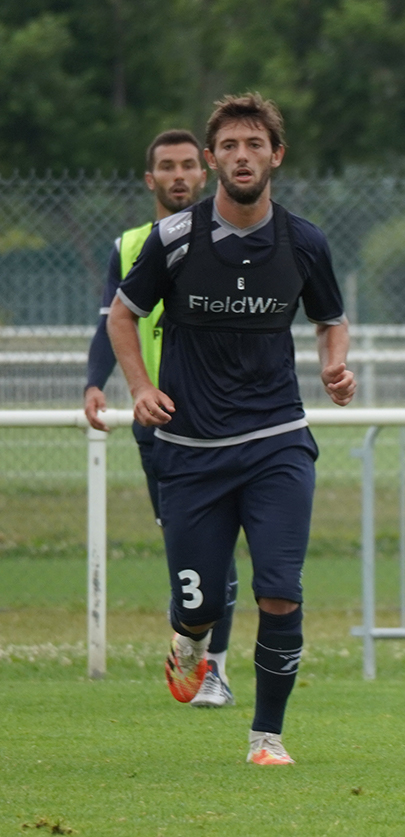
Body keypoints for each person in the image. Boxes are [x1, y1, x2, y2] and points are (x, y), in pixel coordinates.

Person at [108, 93, 356, 765]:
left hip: (276, 441)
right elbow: (122, 317)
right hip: (189, 452)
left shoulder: (304, 242)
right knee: (202, 605)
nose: (242, 156)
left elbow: (330, 318)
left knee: (280, 589)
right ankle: (186, 636)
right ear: (214, 159)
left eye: (255, 145)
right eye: (230, 146)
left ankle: (266, 737)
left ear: (276, 156)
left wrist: (335, 364)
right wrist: (140, 388)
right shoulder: (175, 240)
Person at [84, 130, 242, 708]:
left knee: (221, 552)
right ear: (151, 181)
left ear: (204, 173)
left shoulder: (228, 240)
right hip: (157, 428)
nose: (178, 176)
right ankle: (193, 642)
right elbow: (111, 318)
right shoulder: (129, 246)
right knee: (188, 556)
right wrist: (93, 384)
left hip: (219, 422)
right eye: (165, 168)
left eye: (186, 166)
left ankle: (214, 669)